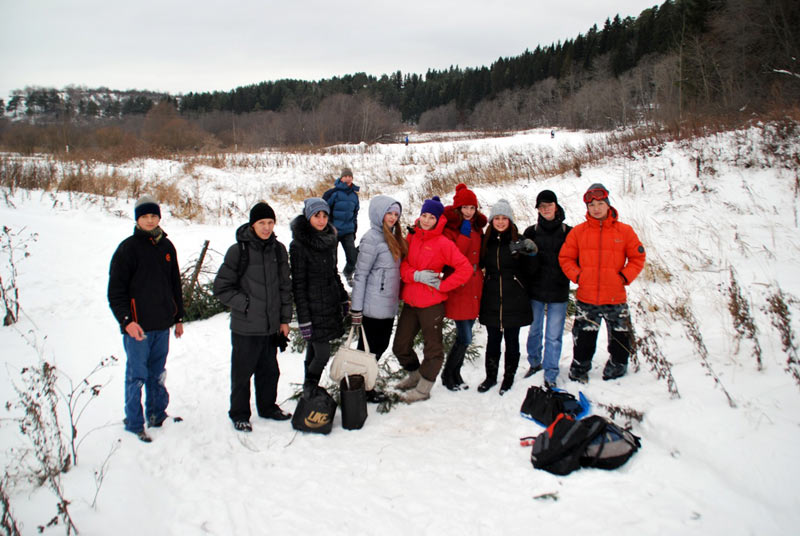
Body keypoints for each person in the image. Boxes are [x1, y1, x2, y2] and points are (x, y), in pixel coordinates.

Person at [108, 195, 185, 443]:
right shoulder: (127, 249)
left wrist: (179, 317)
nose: (150, 221)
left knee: (157, 373)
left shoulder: (166, 247)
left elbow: (175, 284)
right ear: (137, 219)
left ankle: (156, 414)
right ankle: (134, 422)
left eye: (154, 216)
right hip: (138, 328)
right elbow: (115, 292)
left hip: (162, 324)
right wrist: (127, 322)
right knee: (136, 375)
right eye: (145, 217)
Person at [213, 202, 293, 433]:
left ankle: (268, 407)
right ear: (252, 224)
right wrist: (245, 304)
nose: (266, 227)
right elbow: (221, 287)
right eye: (261, 223)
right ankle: (239, 414)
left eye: (270, 223)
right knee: (242, 373)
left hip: (270, 326)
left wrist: (284, 319)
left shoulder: (278, 250)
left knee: (270, 371)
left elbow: (284, 288)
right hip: (246, 327)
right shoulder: (239, 251)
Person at [558, 183, 646, 383]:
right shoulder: (578, 232)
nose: (596, 208)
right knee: (584, 339)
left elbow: (637, 258)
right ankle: (580, 367)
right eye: (592, 205)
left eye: (600, 204)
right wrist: (579, 277)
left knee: (619, 336)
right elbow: (565, 258)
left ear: (608, 205)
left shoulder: (624, 231)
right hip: (587, 297)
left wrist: (623, 277)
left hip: (615, 297)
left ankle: (618, 365)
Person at [392, 196, 472, 403]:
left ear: (438, 220)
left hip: (432, 304)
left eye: (431, 217)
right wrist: (415, 275)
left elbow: (464, 269)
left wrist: (443, 285)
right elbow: (402, 265)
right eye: (424, 216)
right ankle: (415, 375)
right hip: (410, 302)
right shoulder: (412, 238)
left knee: (433, 349)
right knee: (400, 346)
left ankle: (424, 388)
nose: (427, 220)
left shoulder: (443, 243)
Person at [349, 195, 407, 403]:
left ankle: (364, 385)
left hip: (389, 305)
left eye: (395, 214)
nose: (392, 218)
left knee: (379, 347)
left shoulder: (395, 237)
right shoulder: (371, 239)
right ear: (378, 214)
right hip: (372, 307)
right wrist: (356, 309)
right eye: (389, 213)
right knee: (367, 351)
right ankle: (359, 390)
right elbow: (361, 275)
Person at [290, 198, 349, 399]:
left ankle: (309, 390)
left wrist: (342, 298)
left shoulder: (330, 239)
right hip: (312, 307)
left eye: (325, 216)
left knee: (314, 351)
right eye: (317, 216)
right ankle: (310, 385)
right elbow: (298, 284)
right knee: (322, 353)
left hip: (329, 303)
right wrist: (304, 318)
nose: (322, 220)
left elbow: (334, 272)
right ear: (308, 217)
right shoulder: (299, 245)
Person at [478, 199, 537, 395]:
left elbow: (531, 271)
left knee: (512, 341)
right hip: (492, 298)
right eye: (497, 218)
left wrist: (530, 253)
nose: (501, 222)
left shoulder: (517, 241)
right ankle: (490, 377)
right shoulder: (485, 242)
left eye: (505, 218)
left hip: (514, 299)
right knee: (493, 341)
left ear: (510, 220)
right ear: (492, 220)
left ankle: (508, 378)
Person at [523, 190, 572, 389]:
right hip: (536, 291)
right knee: (534, 331)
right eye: (541, 207)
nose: (545, 210)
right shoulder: (531, 232)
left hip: (559, 292)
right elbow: (524, 263)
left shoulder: (568, 232)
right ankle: (535, 363)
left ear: (556, 206)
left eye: (548, 205)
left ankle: (551, 372)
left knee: (553, 335)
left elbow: (575, 259)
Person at [440, 183, 487, 391]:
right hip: (459, 284)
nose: (469, 212)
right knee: (465, 335)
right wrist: (465, 234)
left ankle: (455, 373)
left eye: (472, 208)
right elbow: (454, 257)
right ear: (458, 209)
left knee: (464, 336)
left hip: (475, 284)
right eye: (465, 207)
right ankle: (447, 374)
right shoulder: (451, 230)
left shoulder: (478, 227)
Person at [322, 167, 360, 285]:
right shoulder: (334, 193)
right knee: (332, 259)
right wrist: (327, 227)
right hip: (333, 230)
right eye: (345, 176)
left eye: (350, 176)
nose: (348, 178)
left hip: (348, 231)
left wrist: (354, 229)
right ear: (341, 178)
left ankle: (348, 273)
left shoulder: (354, 196)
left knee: (353, 258)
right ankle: (333, 281)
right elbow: (324, 209)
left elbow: (355, 214)